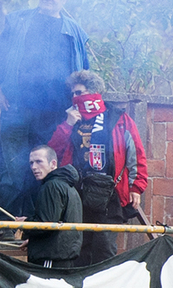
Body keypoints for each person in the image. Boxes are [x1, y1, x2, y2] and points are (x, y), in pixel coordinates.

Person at [0, 0, 89, 205]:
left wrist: (78, 106)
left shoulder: (75, 32)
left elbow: (83, 73)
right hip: (16, 108)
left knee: (46, 169)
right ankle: (9, 221)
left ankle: (41, 219)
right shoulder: (18, 21)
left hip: (55, 115)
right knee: (12, 168)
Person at [46, 70, 147, 265]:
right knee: (78, 250)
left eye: (79, 92)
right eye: (73, 94)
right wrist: (67, 124)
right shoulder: (70, 119)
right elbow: (52, 153)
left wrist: (136, 187)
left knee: (104, 249)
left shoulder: (118, 118)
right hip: (76, 194)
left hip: (109, 194)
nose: (75, 97)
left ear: (93, 92)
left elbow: (136, 153)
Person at [23, 145, 82, 268]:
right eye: (31, 163)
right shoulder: (67, 185)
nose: (34, 167)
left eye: (39, 161)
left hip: (51, 258)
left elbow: (46, 225)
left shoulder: (51, 186)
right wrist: (34, 242)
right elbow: (56, 223)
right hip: (63, 257)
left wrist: (25, 223)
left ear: (53, 164)